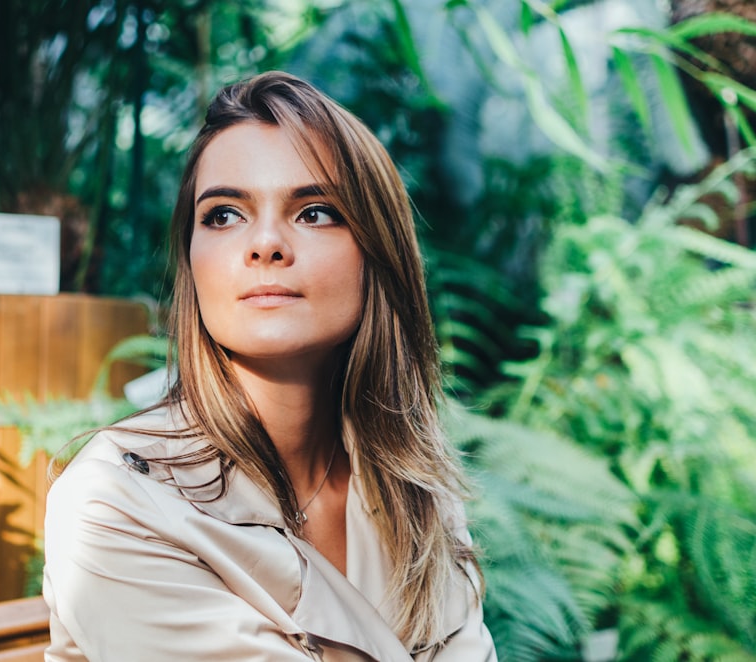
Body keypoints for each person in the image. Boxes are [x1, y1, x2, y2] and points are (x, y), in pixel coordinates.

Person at [42, 71, 497, 661]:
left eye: (314, 212)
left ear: (377, 254)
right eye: (224, 215)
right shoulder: (117, 497)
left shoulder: (414, 484)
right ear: (192, 261)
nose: (265, 245)